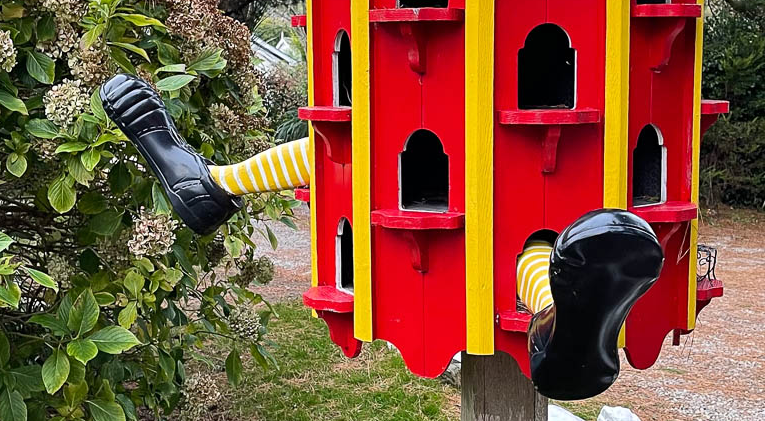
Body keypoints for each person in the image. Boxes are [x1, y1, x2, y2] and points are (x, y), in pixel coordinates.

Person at [100, 73, 663, 400]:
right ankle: (554, 315)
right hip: (500, 177)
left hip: (429, 164)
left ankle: (214, 185)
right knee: (533, 244)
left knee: (360, 145)